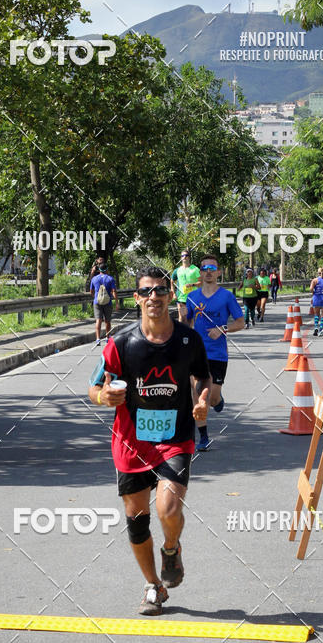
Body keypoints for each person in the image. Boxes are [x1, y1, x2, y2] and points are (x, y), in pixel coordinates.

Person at [88, 266, 211, 616]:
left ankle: (171, 547)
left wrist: (202, 401)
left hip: (175, 438)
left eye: (160, 291)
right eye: (146, 292)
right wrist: (103, 398)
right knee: (137, 518)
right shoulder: (122, 343)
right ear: (136, 298)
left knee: (169, 509)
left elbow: (203, 380)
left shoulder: (189, 340)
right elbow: (94, 386)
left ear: (170, 295)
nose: (153, 298)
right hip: (130, 443)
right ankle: (153, 586)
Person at [186, 254, 245, 451]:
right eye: (204, 269)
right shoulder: (192, 297)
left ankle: (218, 401)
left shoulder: (227, 296)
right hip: (196, 353)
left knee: (211, 398)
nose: (208, 272)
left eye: (212, 268)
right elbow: (187, 323)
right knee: (197, 393)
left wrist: (222, 329)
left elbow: (240, 322)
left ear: (218, 272)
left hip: (218, 353)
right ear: (200, 273)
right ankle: (203, 437)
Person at [90, 262, 117, 345]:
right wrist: (117, 302)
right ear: (107, 269)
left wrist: (95, 297)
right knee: (107, 321)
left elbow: (91, 291)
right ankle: (107, 337)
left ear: (99, 270)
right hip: (107, 302)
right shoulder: (110, 279)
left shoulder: (94, 279)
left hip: (97, 301)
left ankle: (98, 339)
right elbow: (113, 291)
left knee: (98, 320)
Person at [170, 250, 200, 323]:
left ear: (189, 257)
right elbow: (172, 281)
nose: (184, 257)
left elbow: (201, 282)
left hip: (193, 297)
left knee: (190, 317)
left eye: (186, 255)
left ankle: (190, 333)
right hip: (181, 297)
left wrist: (192, 284)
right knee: (181, 317)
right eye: (182, 256)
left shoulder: (195, 269)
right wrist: (173, 293)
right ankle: (181, 333)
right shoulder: (177, 270)